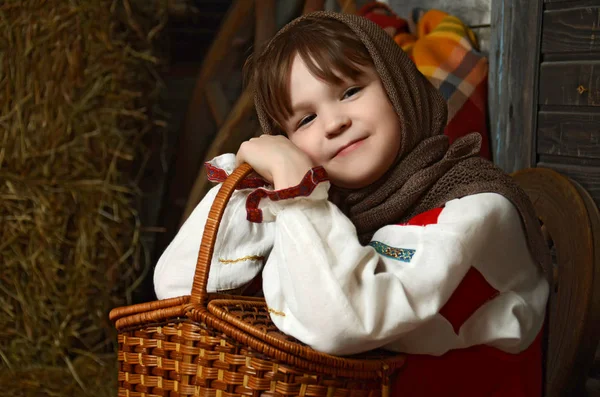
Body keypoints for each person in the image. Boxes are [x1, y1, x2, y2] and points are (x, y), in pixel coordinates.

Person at [154, 11, 549, 396]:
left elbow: (344, 322)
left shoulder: (473, 208)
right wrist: (261, 178)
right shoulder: (329, 212)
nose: (333, 123)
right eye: (305, 120)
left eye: (350, 91)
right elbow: (178, 286)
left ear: (399, 86)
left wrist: (297, 192)